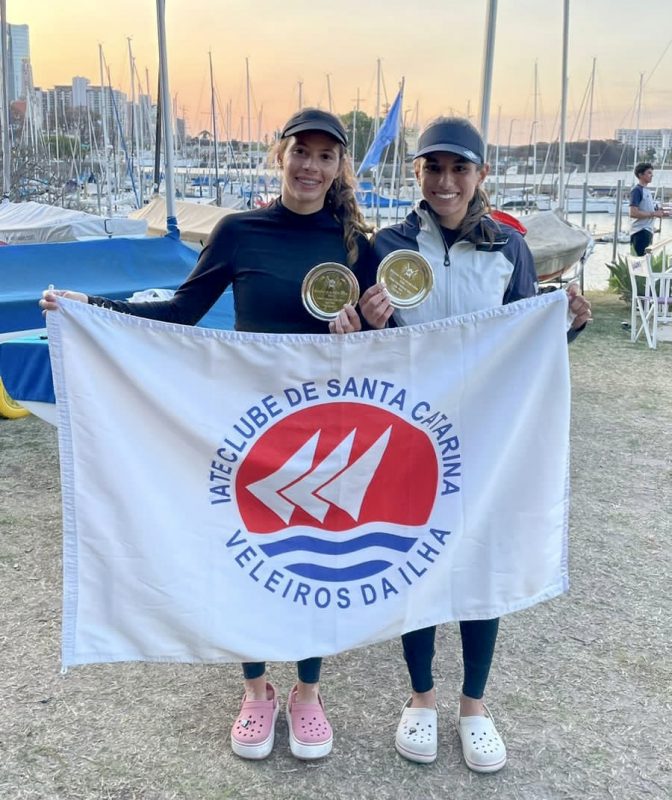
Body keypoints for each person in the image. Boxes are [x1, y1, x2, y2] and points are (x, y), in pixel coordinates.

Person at [40, 108, 372, 763]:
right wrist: (94, 310)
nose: (310, 166)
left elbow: (396, 335)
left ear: (340, 168)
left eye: (325, 156)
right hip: (247, 423)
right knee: (246, 556)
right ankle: (256, 691)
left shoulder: (357, 241)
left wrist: (363, 330)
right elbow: (181, 314)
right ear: (280, 156)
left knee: (315, 562)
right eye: (300, 152)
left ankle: (308, 693)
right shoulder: (239, 231)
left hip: (327, 424)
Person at [360, 116, 592, 773]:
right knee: (416, 563)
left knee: (480, 566)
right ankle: (421, 698)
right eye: (433, 167)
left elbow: (526, 347)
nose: (445, 181)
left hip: (485, 438)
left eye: (459, 169)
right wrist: (369, 326)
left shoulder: (508, 251)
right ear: (418, 173)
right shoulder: (386, 245)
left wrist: (564, 325)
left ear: (480, 175)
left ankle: (474, 705)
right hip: (408, 438)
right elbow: (363, 355)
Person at [629, 161, 669, 256]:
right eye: (649, 173)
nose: (652, 175)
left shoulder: (647, 191)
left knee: (646, 263)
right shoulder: (637, 191)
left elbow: (652, 212)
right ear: (641, 175)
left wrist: (661, 213)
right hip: (640, 232)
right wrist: (654, 214)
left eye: (652, 173)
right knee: (640, 263)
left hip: (648, 231)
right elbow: (633, 213)